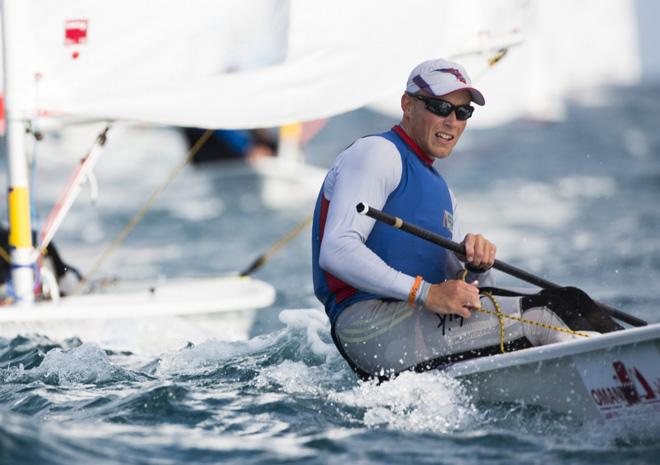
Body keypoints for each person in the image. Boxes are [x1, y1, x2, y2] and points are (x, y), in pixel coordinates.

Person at [311, 58, 621, 381]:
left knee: (574, 301)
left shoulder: (444, 194)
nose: (452, 122)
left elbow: (473, 296)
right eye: (440, 107)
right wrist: (427, 293)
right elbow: (337, 250)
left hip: (415, 321)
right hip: (367, 327)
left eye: (463, 112)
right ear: (407, 105)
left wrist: (476, 267)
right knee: (550, 313)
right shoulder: (377, 153)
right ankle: (623, 381)